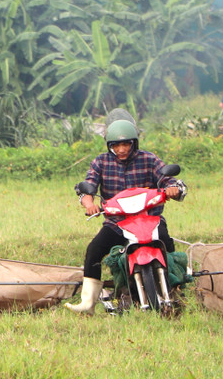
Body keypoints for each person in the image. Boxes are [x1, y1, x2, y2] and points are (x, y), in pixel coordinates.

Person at [68, 120, 186, 311]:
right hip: (117, 223)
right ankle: (87, 303)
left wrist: (172, 189)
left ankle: (176, 288)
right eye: (116, 145)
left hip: (149, 220)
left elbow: (168, 180)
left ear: (134, 144)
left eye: (125, 144)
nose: (121, 149)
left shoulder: (149, 159)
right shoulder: (101, 162)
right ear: (109, 146)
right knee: (94, 250)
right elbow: (86, 187)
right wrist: (89, 204)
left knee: (167, 244)